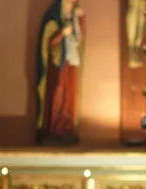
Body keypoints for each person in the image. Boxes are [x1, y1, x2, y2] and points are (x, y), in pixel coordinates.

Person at [36, 0, 84, 145]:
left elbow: (79, 38)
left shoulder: (73, 16)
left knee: (70, 93)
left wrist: (81, 19)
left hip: (71, 59)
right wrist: (62, 33)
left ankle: (66, 125)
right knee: (58, 90)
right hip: (58, 60)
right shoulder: (53, 15)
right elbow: (48, 41)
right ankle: (54, 126)